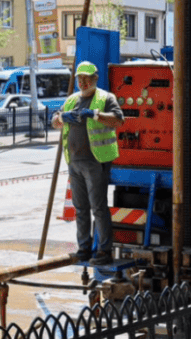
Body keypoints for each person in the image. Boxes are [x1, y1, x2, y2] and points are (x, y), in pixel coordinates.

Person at [52, 61, 124, 265]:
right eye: (80, 78)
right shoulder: (71, 100)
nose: (83, 82)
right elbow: (54, 121)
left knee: (98, 208)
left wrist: (94, 114)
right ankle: (84, 248)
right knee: (80, 208)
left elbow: (118, 120)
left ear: (95, 79)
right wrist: (61, 118)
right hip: (74, 162)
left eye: (87, 78)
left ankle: (104, 251)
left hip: (96, 161)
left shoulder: (105, 98)